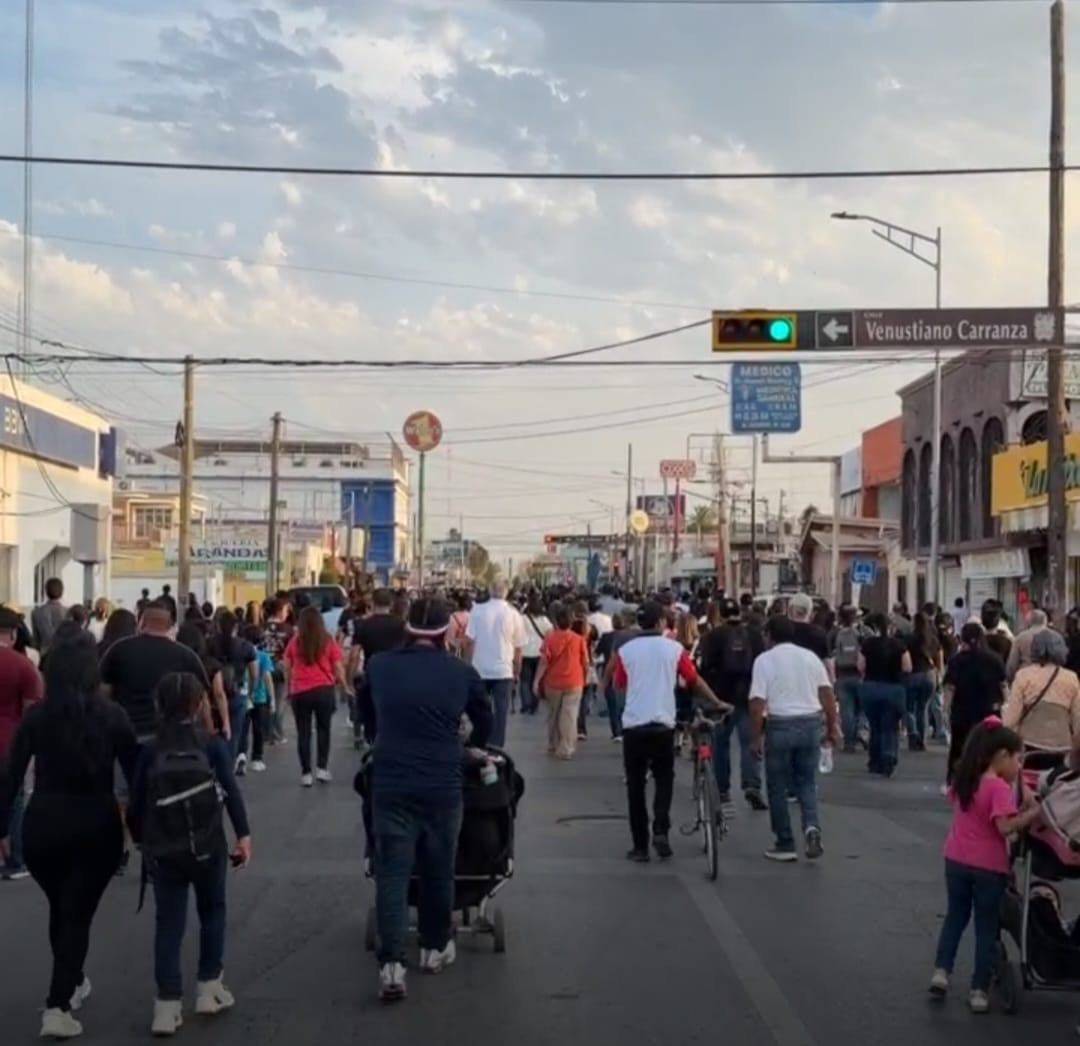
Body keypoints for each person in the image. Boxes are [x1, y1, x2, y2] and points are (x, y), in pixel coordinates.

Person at [0, 625, 139, 1039]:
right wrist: (142, 827)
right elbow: (138, 775)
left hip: (43, 823)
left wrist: (2, 827)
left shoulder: (36, 717)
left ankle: (73, 980)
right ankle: (57, 1005)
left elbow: (10, 777)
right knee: (77, 912)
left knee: (62, 907)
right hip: (96, 822)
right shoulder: (113, 716)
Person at [359, 596, 492, 1001]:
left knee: (392, 872)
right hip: (442, 784)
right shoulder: (460, 672)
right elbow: (484, 719)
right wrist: (472, 746)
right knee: (438, 869)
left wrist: (381, 737)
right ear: (444, 631)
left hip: (391, 782)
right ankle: (434, 948)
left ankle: (391, 965)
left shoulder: (379, 667)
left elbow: (366, 715)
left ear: (407, 627)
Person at [128, 672, 251, 1036]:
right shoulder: (211, 745)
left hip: (164, 850)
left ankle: (166, 1005)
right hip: (207, 844)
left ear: (159, 705)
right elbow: (230, 791)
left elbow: (135, 805)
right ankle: (209, 987)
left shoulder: (150, 750)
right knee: (213, 910)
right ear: (199, 705)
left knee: (169, 923)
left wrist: (143, 841)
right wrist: (243, 836)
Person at [928, 718, 1041, 1013]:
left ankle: (941, 970)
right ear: (1002, 755)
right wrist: (1032, 814)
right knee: (985, 927)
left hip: (955, 858)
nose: (1019, 766)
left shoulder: (965, 780)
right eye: (1018, 759)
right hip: (988, 866)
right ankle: (979, 989)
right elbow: (1004, 827)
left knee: (955, 917)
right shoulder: (998, 788)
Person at [610, 602, 728, 862]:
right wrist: (716, 701)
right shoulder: (673, 649)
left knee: (636, 786)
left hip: (634, 725)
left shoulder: (626, 651)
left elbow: (619, 683)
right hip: (662, 723)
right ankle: (661, 829)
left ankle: (640, 846)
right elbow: (693, 680)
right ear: (661, 623)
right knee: (664, 779)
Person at [749, 614, 838, 862]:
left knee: (777, 785)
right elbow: (828, 695)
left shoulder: (764, 660)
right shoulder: (810, 658)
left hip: (780, 724)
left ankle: (785, 842)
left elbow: (757, 702)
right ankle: (812, 827)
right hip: (810, 723)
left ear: (769, 635)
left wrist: (755, 737)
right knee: (806, 782)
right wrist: (831, 729)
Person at [100, 602, 211, 746]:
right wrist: (207, 732)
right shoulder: (186, 656)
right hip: (169, 739)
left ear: (141, 622)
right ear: (170, 627)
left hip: (125, 733)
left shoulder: (118, 649)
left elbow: (103, 692)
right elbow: (203, 699)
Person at [697, 597, 766, 812]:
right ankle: (752, 785)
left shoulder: (712, 637)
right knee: (750, 742)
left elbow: (704, 667)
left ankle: (723, 790)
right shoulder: (754, 635)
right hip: (748, 696)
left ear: (721, 614)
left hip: (721, 699)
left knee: (720, 745)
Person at [0, 607, 43, 881]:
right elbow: (31, 710)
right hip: (9, 743)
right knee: (14, 800)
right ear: (13, 634)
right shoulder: (23, 665)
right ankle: (16, 860)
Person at [284, 606, 346, 786]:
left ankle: (306, 773)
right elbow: (338, 666)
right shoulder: (328, 640)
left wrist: (289, 688)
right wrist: (344, 686)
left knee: (303, 732)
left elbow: (287, 666)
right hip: (324, 689)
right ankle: (322, 768)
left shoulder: (295, 642)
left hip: (300, 691)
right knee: (324, 729)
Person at [464, 579, 526, 748]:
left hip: (480, 668)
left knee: (479, 709)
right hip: (503, 670)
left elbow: (469, 641)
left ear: (490, 591)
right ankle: (497, 744)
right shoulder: (514, 614)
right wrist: (517, 669)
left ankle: (481, 739)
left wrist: (467, 664)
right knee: (501, 710)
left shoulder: (477, 611)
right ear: (506, 593)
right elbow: (518, 647)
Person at [943, 623, 1008, 783]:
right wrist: (1006, 704)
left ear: (962, 639)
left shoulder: (956, 660)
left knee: (959, 746)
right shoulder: (994, 659)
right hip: (989, 710)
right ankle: (985, 780)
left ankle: (954, 780)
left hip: (962, 710)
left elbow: (950, 687)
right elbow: (1003, 685)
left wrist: (945, 709)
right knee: (988, 747)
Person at [1002, 628, 1080, 752]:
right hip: (1062, 746)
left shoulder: (1023, 676)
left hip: (1029, 745)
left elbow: (1011, 719)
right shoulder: (1071, 678)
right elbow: (1077, 719)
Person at [857, 613, 912, 777]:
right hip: (893, 688)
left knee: (875, 726)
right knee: (890, 726)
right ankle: (888, 756)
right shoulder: (899, 645)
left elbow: (860, 666)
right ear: (891, 628)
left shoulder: (867, 644)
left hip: (871, 687)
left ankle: (875, 760)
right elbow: (907, 667)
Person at [534, 605, 590, 759]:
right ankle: (566, 747)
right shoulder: (579, 639)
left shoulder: (549, 638)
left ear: (556, 622)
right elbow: (585, 661)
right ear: (571, 622)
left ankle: (553, 743)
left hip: (553, 681)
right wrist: (585, 677)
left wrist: (537, 680)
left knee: (553, 714)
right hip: (574, 680)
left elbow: (544, 661)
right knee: (570, 715)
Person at [206, 612, 257, 767]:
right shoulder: (246, 646)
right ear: (236, 627)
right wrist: (251, 692)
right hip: (237, 692)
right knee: (233, 735)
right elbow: (254, 673)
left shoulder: (209, 644)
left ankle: (212, 766)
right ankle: (227, 768)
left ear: (218, 626)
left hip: (212, 694)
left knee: (213, 732)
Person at [829, 605, 864, 752]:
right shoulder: (862, 632)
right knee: (861, 709)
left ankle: (849, 742)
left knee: (846, 710)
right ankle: (861, 734)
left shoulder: (835, 633)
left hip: (842, 674)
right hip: (859, 675)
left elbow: (831, 655)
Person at [906, 611, 942, 751]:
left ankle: (913, 735)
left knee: (909, 708)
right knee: (923, 708)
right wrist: (939, 676)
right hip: (929, 675)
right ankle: (923, 740)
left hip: (913, 674)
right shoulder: (933, 639)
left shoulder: (909, 638)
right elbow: (939, 659)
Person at [519, 595, 551, 716]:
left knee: (524, 680)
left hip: (525, 652)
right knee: (536, 679)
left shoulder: (522, 619)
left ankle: (525, 704)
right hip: (539, 652)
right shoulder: (545, 620)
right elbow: (549, 635)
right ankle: (534, 704)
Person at [1005, 608, 1049, 683]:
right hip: (1048, 679)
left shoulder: (1020, 638)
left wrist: (1011, 681)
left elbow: (1012, 665)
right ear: (1045, 621)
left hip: (1025, 678)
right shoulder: (1055, 637)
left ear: (1029, 621)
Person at [32, 577, 67, 655]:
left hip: (45, 653)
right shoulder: (68, 612)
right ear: (62, 591)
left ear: (46, 591)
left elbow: (36, 640)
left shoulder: (36, 612)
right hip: (64, 653)